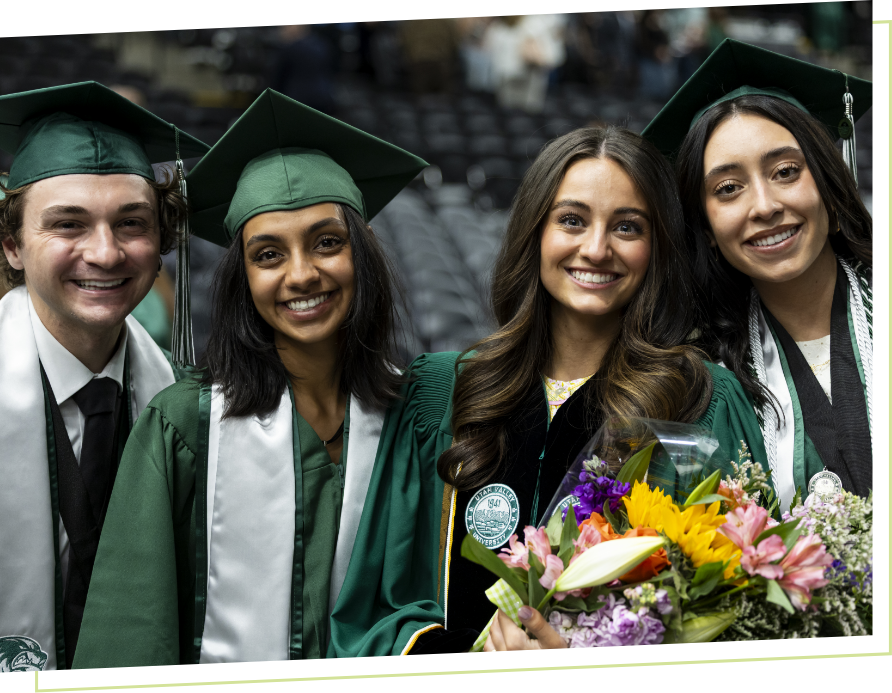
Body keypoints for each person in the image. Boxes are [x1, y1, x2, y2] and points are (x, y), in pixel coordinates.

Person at [71, 89, 449, 667]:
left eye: (328, 243)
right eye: (268, 255)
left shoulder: (415, 421)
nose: (302, 274)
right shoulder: (185, 426)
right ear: (242, 279)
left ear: (362, 256)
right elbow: (131, 636)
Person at [401, 126, 769, 653]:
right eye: (572, 220)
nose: (596, 249)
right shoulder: (447, 390)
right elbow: (383, 597)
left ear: (657, 248)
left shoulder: (699, 401)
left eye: (627, 227)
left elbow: (734, 605)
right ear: (535, 231)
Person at [0, 81, 208, 670]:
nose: (106, 253)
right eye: (68, 224)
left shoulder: (185, 412)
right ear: (12, 243)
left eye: (131, 224)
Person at [643, 39, 873, 513]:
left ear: (828, 184)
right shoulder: (698, 385)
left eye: (786, 171)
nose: (765, 206)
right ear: (705, 226)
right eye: (728, 189)